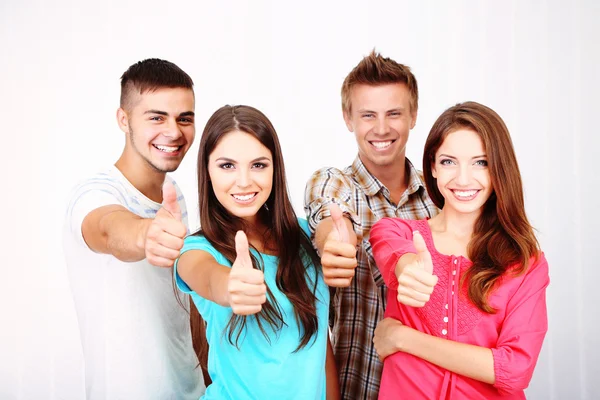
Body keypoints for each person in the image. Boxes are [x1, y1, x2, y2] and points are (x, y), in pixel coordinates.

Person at [369, 101, 549, 399]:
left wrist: (403, 338)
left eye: (481, 162)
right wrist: (410, 266)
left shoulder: (524, 262)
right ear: (433, 168)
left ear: (498, 170)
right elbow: (396, 254)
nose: (463, 179)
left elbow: (515, 370)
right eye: (449, 162)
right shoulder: (398, 231)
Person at [174, 105, 339, 399]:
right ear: (207, 171)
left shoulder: (303, 236)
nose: (244, 181)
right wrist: (230, 286)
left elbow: (319, 346)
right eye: (227, 166)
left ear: (275, 168)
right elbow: (210, 278)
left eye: (258, 165)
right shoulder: (197, 250)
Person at [63, 58, 205, 399]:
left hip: (192, 391)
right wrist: (146, 234)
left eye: (184, 118)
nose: (174, 131)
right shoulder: (95, 193)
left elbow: (182, 302)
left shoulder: (174, 195)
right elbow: (110, 231)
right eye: (156, 117)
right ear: (123, 120)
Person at [304, 50, 438, 399]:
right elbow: (329, 217)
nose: (381, 128)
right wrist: (335, 245)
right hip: (357, 388)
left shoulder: (440, 197)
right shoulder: (335, 183)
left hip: (429, 388)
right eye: (368, 115)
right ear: (348, 118)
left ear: (413, 116)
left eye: (394, 113)